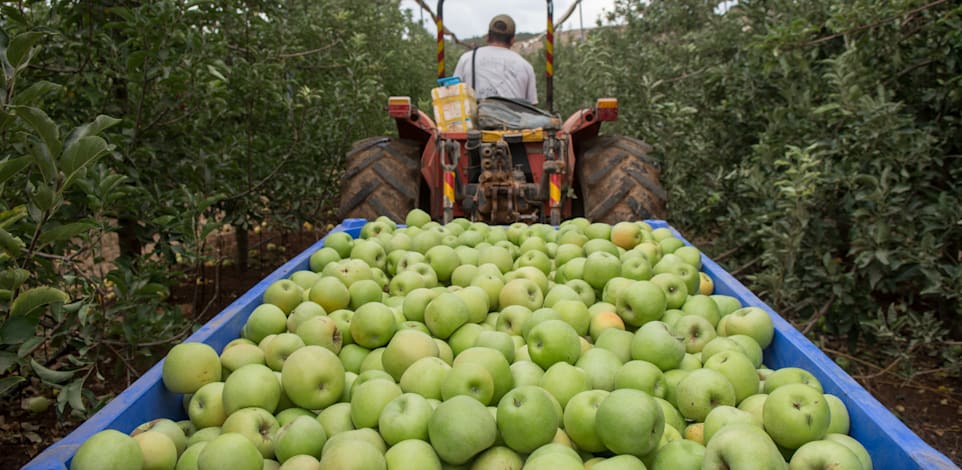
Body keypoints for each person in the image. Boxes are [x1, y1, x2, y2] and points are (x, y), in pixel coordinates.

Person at [454, 14, 538, 104]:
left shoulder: (467, 59)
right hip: (513, 117)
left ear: (487, 37)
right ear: (512, 40)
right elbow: (532, 106)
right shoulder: (526, 66)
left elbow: (453, 94)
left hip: (475, 117)